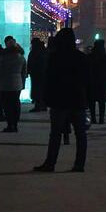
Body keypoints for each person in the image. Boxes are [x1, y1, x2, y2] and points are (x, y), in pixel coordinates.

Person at [35, 28, 88, 173]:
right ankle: (79, 164)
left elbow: (49, 79)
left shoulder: (55, 57)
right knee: (80, 134)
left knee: (56, 133)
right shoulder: (81, 57)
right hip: (77, 99)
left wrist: (46, 98)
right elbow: (87, 80)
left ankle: (50, 163)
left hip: (60, 99)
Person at [0, 36, 27, 132]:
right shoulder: (21, 58)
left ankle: (9, 125)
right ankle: (15, 125)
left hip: (5, 84)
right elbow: (24, 72)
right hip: (17, 84)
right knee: (16, 104)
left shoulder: (4, 57)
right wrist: (23, 84)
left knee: (7, 105)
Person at [88, 39, 106, 124]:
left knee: (92, 102)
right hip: (102, 80)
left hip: (92, 81)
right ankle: (101, 118)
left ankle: (93, 118)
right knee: (102, 102)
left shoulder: (91, 56)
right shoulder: (105, 57)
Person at [27, 37, 48, 112]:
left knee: (36, 89)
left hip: (36, 73)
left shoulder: (34, 52)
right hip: (43, 73)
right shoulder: (44, 51)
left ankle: (38, 105)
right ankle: (43, 105)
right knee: (41, 89)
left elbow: (30, 62)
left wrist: (28, 71)